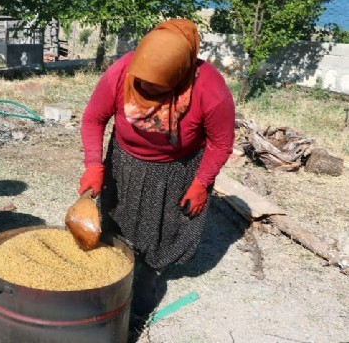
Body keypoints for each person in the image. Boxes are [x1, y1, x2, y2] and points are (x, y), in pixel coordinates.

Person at [78, 19, 235, 331]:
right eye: (142, 84)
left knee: (162, 232)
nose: (146, 89)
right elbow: (94, 118)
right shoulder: (122, 71)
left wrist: (202, 182)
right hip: (125, 161)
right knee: (117, 219)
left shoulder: (210, 89)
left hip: (177, 169)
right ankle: (114, 278)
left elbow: (221, 142)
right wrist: (94, 165)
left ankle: (145, 286)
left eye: (157, 88)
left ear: (179, 77)